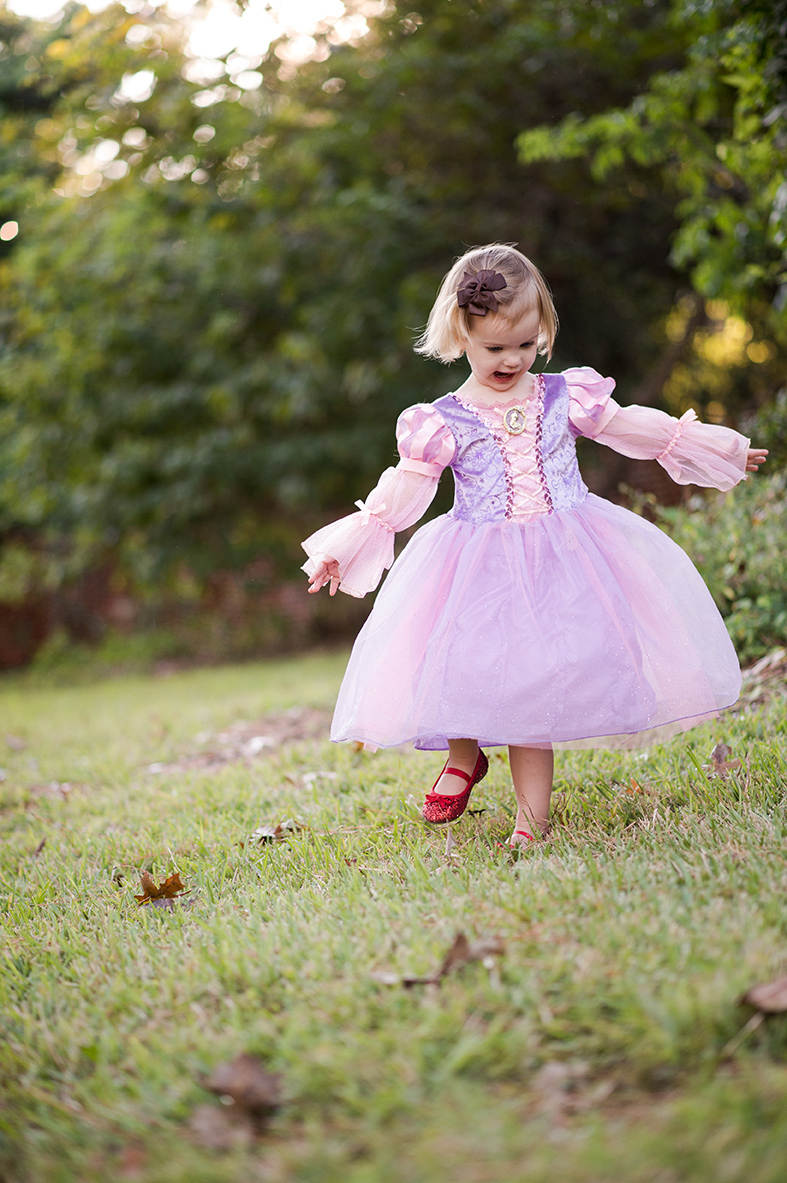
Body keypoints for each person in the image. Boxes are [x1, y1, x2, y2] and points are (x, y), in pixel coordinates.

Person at [302, 244, 767, 847]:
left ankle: (530, 825)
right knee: (459, 663)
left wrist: (715, 446)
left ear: (542, 331)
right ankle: (465, 756)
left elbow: (632, 428)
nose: (512, 359)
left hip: (566, 558)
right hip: (476, 564)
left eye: (526, 344)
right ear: (461, 333)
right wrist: (350, 542)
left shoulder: (562, 396)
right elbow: (404, 492)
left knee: (531, 687)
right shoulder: (441, 420)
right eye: (496, 347)